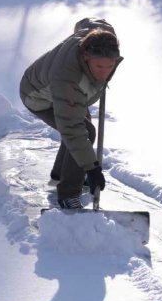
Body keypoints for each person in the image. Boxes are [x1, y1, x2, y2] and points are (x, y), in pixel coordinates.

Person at [19, 18, 123, 209]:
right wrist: (91, 168)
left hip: (68, 93)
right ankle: (68, 194)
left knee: (80, 129)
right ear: (85, 56)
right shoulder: (68, 77)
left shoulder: (99, 39)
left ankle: (60, 175)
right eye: (99, 67)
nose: (105, 74)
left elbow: (87, 23)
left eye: (110, 66)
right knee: (84, 131)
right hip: (39, 96)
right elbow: (72, 129)